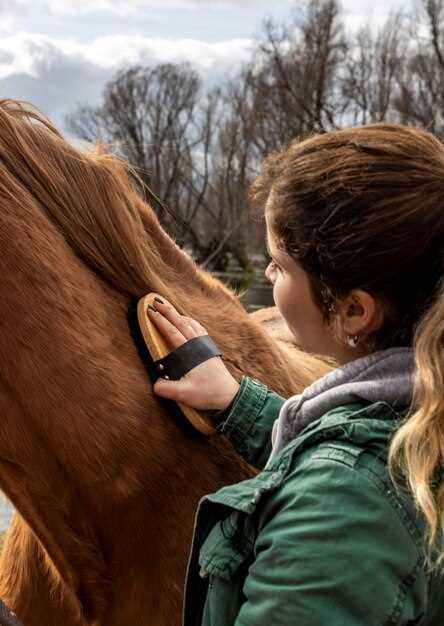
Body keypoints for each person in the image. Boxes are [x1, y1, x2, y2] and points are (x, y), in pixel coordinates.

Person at [148, 123, 444, 625]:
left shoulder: (342, 510)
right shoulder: (418, 413)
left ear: (353, 311)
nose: (266, 275)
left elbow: (352, 487)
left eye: (280, 265)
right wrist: (238, 404)